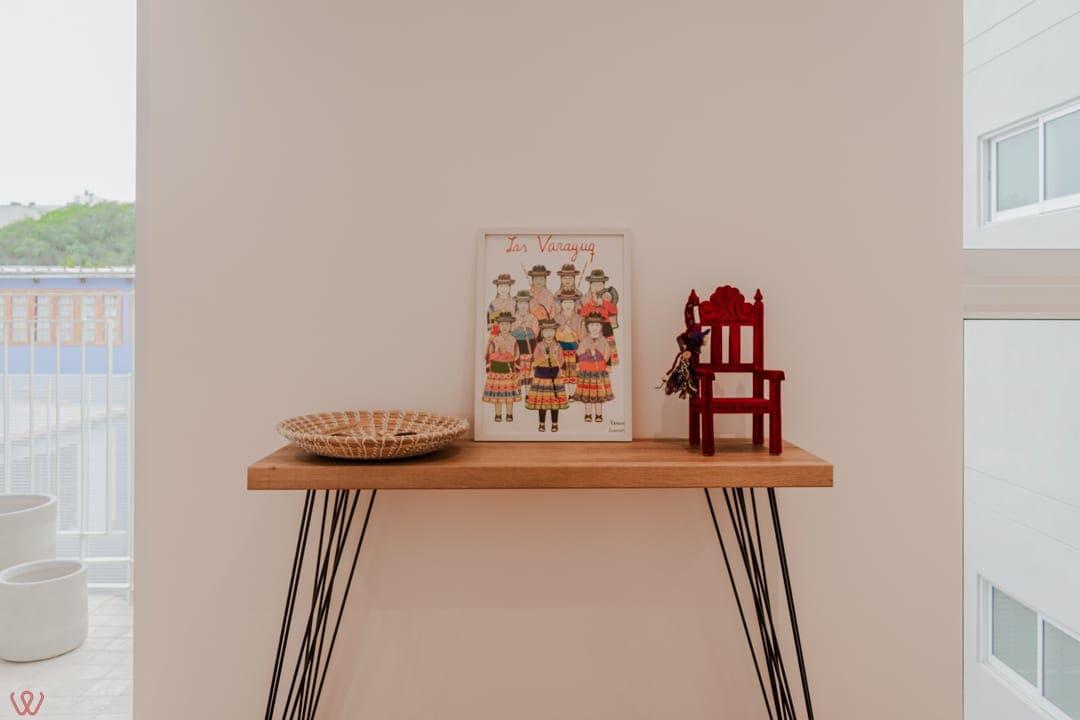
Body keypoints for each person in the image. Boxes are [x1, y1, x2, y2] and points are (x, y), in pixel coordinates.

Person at [525, 318, 568, 432]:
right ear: (542, 333)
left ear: (555, 332)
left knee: (554, 402)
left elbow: (561, 361)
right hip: (541, 376)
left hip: (554, 375)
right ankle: (542, 423)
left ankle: (554, 423)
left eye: (551, 331)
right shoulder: (539, 346)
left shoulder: (558, 346)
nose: (549, 334)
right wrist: (544, 358)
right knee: (542, 402)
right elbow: (535, 361)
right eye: (546, 331)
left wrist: (554, 360)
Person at [573, 313, 614, 422]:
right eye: (592, 325)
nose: (594, 328)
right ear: (587, 327)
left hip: (599, 370)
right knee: (588, 394)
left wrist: (607, 364)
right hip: (587, 370)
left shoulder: (604, 341)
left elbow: (608, 354)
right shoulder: (584, 340)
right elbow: (578, 354)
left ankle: (599, 414)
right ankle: (588, 414)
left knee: (599, 394)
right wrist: (588, 354)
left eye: (597, 325)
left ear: (601, 327)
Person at [482, 312, 520, 421]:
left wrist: (517, 371)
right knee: (498, 395)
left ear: (511, 326)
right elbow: (489, 356)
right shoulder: (494, 340)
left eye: (507, 324)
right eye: (502, 324)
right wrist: (498, 353)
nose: (504, 327)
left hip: (509, 370)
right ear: (498, 325)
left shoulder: (514, 340)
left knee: (509, 395)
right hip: (496, 370)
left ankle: (509, 414)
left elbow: (517, 356)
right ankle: (498, 414)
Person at [579, 269, 619, 365]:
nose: (597, 287)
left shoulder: (607, 297)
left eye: (600, 285)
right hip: (591, 326)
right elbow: (582, 313)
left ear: (604, 286)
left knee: (608, 346)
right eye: (594, 285)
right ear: (590, 285)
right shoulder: (585, 298)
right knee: (590, 345)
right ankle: (590, 363)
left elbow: (614, 310)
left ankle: (608, 363)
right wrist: (591, 304)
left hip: (605, 325)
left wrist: (604, 303)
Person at [510, 290, 538, 390]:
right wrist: (518, 331)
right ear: (517, 304)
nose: (523, 306)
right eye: (520, 303)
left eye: (525, 303)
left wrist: (527, 331)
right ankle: (518, 391)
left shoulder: (533, 318)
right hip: (517, 347)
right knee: (518, 369)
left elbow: (535, 333)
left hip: (530, 346)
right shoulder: (513, 318)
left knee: (529, 369)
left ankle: (528, 392)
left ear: (529, 304)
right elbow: (511, 333)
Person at [553, 292, 582, 387]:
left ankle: (573, 392)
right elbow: (555, 335)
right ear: (561, 304)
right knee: (562, 370)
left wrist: (572, 332)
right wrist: (562, 332)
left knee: (574, 371)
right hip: (561, 347)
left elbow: (581, 336)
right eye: (565, 303)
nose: (568, 305)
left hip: (575, 347)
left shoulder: (579, 318)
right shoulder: (556, 318)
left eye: (570, 302)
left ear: (574, 303)